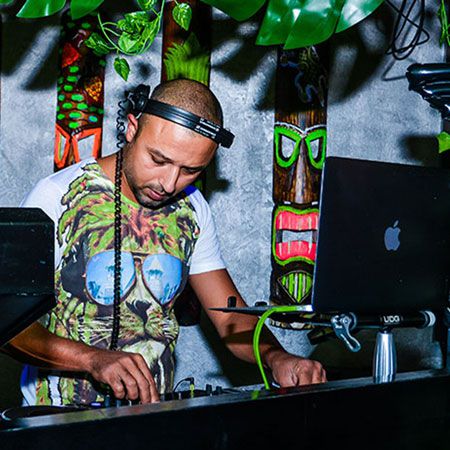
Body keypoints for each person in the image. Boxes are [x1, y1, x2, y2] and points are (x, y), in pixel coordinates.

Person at [7, 79, 326, 406]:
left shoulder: (193, 208)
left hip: (151, 417)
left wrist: (277, 357)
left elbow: (230, 319)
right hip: (56, 420)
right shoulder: (58, 197)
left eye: (190, 170)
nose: (169, 183)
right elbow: (10, 327)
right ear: (132, 129)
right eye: (158, 160)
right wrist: (92, 359)